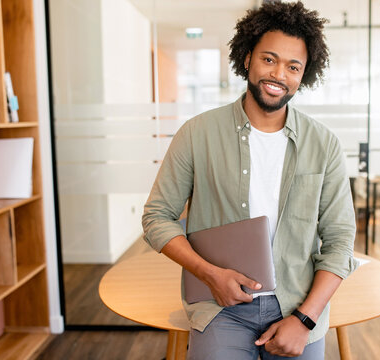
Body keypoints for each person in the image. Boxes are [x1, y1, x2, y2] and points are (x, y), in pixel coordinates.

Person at [142, 1, 358, 359]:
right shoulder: (197, 134)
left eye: (293, 66)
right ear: (247, 58)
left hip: (298, 308)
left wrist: (305, 319)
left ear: (304, 75)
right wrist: (209, 274)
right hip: (219, 308)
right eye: (268, 59)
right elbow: (156, 218)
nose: (278, 75)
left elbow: (340, 242)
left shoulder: (324, 144)